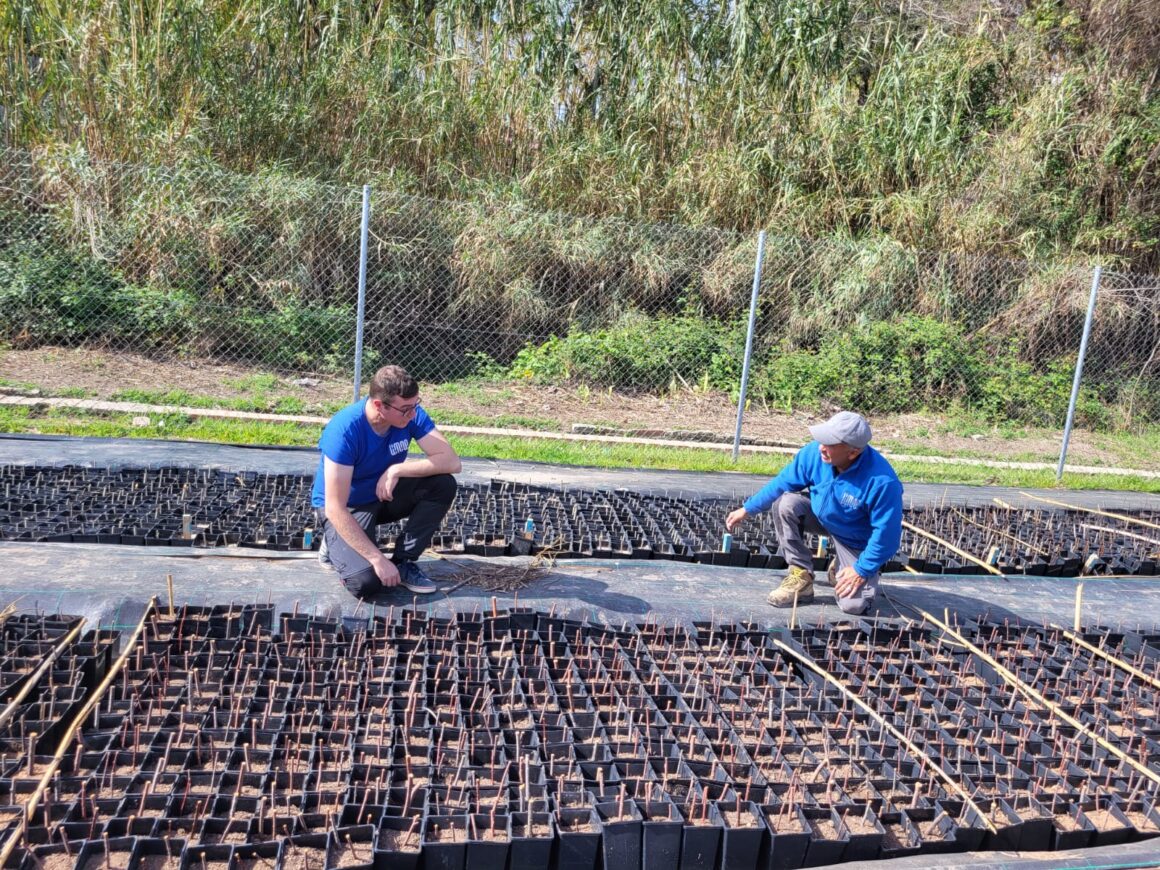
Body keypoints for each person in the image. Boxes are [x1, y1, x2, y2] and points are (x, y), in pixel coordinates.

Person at [725, 410, 902, 614]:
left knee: (853, 606)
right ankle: (801, 575)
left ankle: (845, 564)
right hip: (824, 518)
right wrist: (747, 509)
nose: (821, 447)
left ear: (853, 452)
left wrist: (861, 570)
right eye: (822, 440)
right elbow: (782, 483)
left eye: (830, 444)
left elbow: (887, 536)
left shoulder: (882, 482)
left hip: (856, 540)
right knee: (786, 503)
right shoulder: (814, 454)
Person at [311, 364, 461, 599]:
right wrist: (377, 559)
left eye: (415, 406)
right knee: (366, 583)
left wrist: (396, 470)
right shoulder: (344, 431)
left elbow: (451, 461)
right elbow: (334, 507)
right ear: (380, 405)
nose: (413, 414)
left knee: (442, 484)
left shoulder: (410, 414)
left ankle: (404, 561)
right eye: (405, 409)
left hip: (382, 496)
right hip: (348, 508)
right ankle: (333, 543)